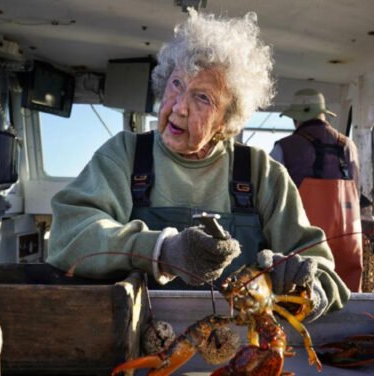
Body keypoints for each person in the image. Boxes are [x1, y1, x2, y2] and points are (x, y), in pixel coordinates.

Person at [48, 10, 349, 321]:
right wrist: (161, 251)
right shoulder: (125, 154)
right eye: (176, 84)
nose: (179, 107)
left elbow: (324, 276)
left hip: (239, 351)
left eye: (202, 98)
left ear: (227, 120)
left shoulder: (262, 173)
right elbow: (67, 237)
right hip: (137, 339)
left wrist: (306, 289)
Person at [270, 88, 364, 291]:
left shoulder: (284, 147)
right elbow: (357, 189)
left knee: (304, 294)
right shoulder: (350, 146)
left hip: (305, 243)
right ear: (323, 115)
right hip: (348, 241)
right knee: (348, 294)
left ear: (297, 119)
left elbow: (269, 196)